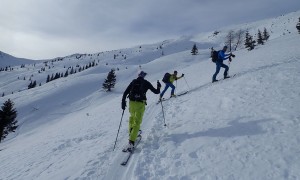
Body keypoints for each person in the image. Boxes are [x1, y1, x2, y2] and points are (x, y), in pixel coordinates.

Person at [121, 71, 161, 152]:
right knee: (137, 121)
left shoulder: (133, 82)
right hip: (140, 103)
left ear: (138, 75)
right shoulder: (146, 83)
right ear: (144, 76)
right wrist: (159, 87)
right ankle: (131, 142)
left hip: (131, 103)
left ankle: (131, 133)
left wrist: (123, 101)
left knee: (131, 118)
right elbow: (157, 92)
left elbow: (125, 92)